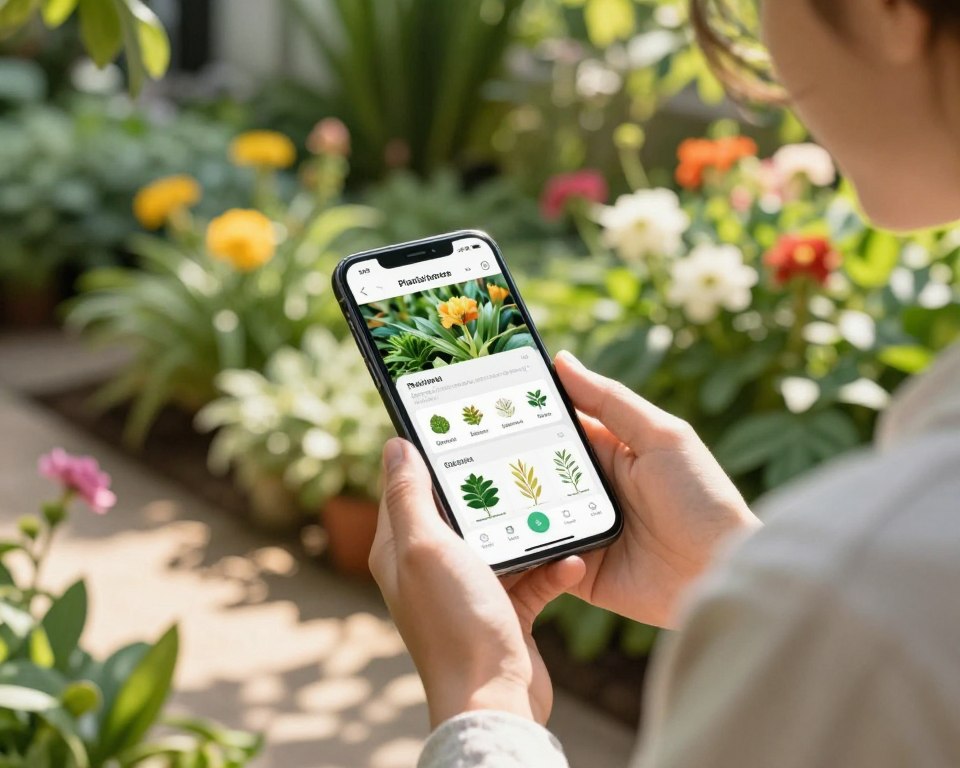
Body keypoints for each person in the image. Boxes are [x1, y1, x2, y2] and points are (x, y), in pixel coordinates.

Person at [369, 1, 960, 765]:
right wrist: (734, 568)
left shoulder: (863, 598)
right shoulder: (865, 586)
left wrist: (485, 696)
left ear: (885, 11)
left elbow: (873, 619)